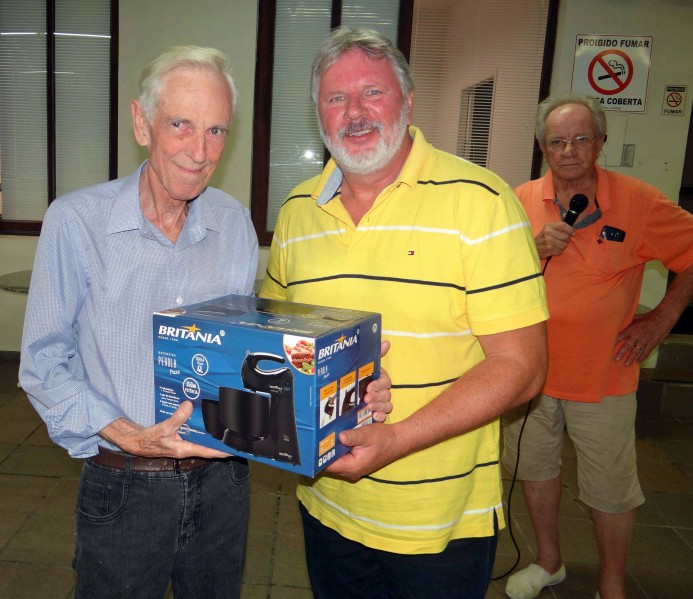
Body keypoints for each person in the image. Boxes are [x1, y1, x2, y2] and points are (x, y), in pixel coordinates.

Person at [18, 45, 392, 598]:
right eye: (181, 125)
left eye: (216, 131)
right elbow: (43, 364)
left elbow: (248, 350)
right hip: (123, 485)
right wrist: (126, 434)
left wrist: (348, 382)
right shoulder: (76, 222)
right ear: (141, 123)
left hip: (223, 485)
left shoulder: (234, 224)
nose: (199, 151)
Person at [260, 27, 549, 599]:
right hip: (326, 504)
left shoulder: (482, 201)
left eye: (373, 92)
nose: (355, 112)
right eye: (336, 98)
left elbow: (523, 367)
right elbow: (278, 338)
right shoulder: (296, 211)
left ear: (408, 102)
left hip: (437, 522)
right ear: (319, 115)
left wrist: (398, 438)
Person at [501, 93, 693, 599]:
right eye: (557, 141)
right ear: (543, 147)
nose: (569, 150)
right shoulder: (517, 200)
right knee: (535, 470)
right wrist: (529, 249)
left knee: (609, 488)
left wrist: (662, 319)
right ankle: (549, 562)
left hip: (604, 374)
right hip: (530, 370)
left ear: (600, 142)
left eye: (581, 139)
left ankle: (612, 584)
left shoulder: (639, 201)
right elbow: (490, 274)